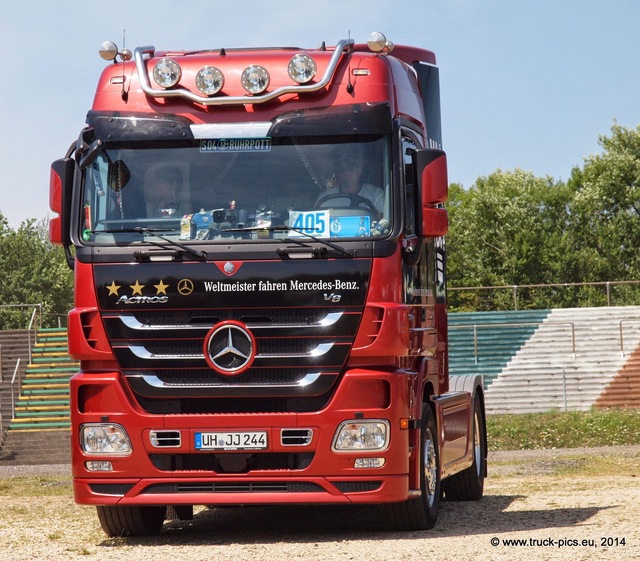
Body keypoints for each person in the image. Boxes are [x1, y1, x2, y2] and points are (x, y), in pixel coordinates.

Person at [316, 151, 384, 216]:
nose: (346, 173)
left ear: (359, 170)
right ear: (336, 174)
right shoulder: (324, 199)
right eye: (341, 170)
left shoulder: (376, 195)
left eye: (350, 168)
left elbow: (383, 221)